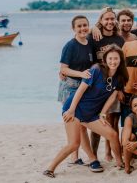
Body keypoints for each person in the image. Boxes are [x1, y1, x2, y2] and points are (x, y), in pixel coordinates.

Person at [43, 45, 128, 178]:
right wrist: (71, 110)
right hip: (75, 109)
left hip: (91, 114)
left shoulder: (120, 77)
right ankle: (50, 168)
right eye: (110, 58)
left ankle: (119, 162)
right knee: (74, 144)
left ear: (121, 60)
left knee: (112, 134)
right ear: (105, 59)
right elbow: (80, 90)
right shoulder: (96, 70)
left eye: (116, 58)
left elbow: (112, 96)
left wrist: (103, 113)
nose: (113, 61)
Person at [88, 7, 125, 161]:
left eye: (112, 19)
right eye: (106, 19)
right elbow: (84, 49)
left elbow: (122, 66)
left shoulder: (119, 39)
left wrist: (121, 88)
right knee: (96, 122)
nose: (110, 22)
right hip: (97, 85)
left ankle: (109, 153)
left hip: (113, 85)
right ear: (101, 21)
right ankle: (93, 155)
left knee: (112, 121)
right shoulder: (94, 37)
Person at [58, 15, 94, 165]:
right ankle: (74, 157)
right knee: (74, 123)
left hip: (83, 88)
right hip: (70, 87)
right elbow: (63, 69)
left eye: (85, 25)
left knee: (81, 125)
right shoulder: (70, 46)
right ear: (73, 29)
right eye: (79, 26)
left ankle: (75, 157)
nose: (82, 28)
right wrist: (81, 74)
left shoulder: (89, 44)